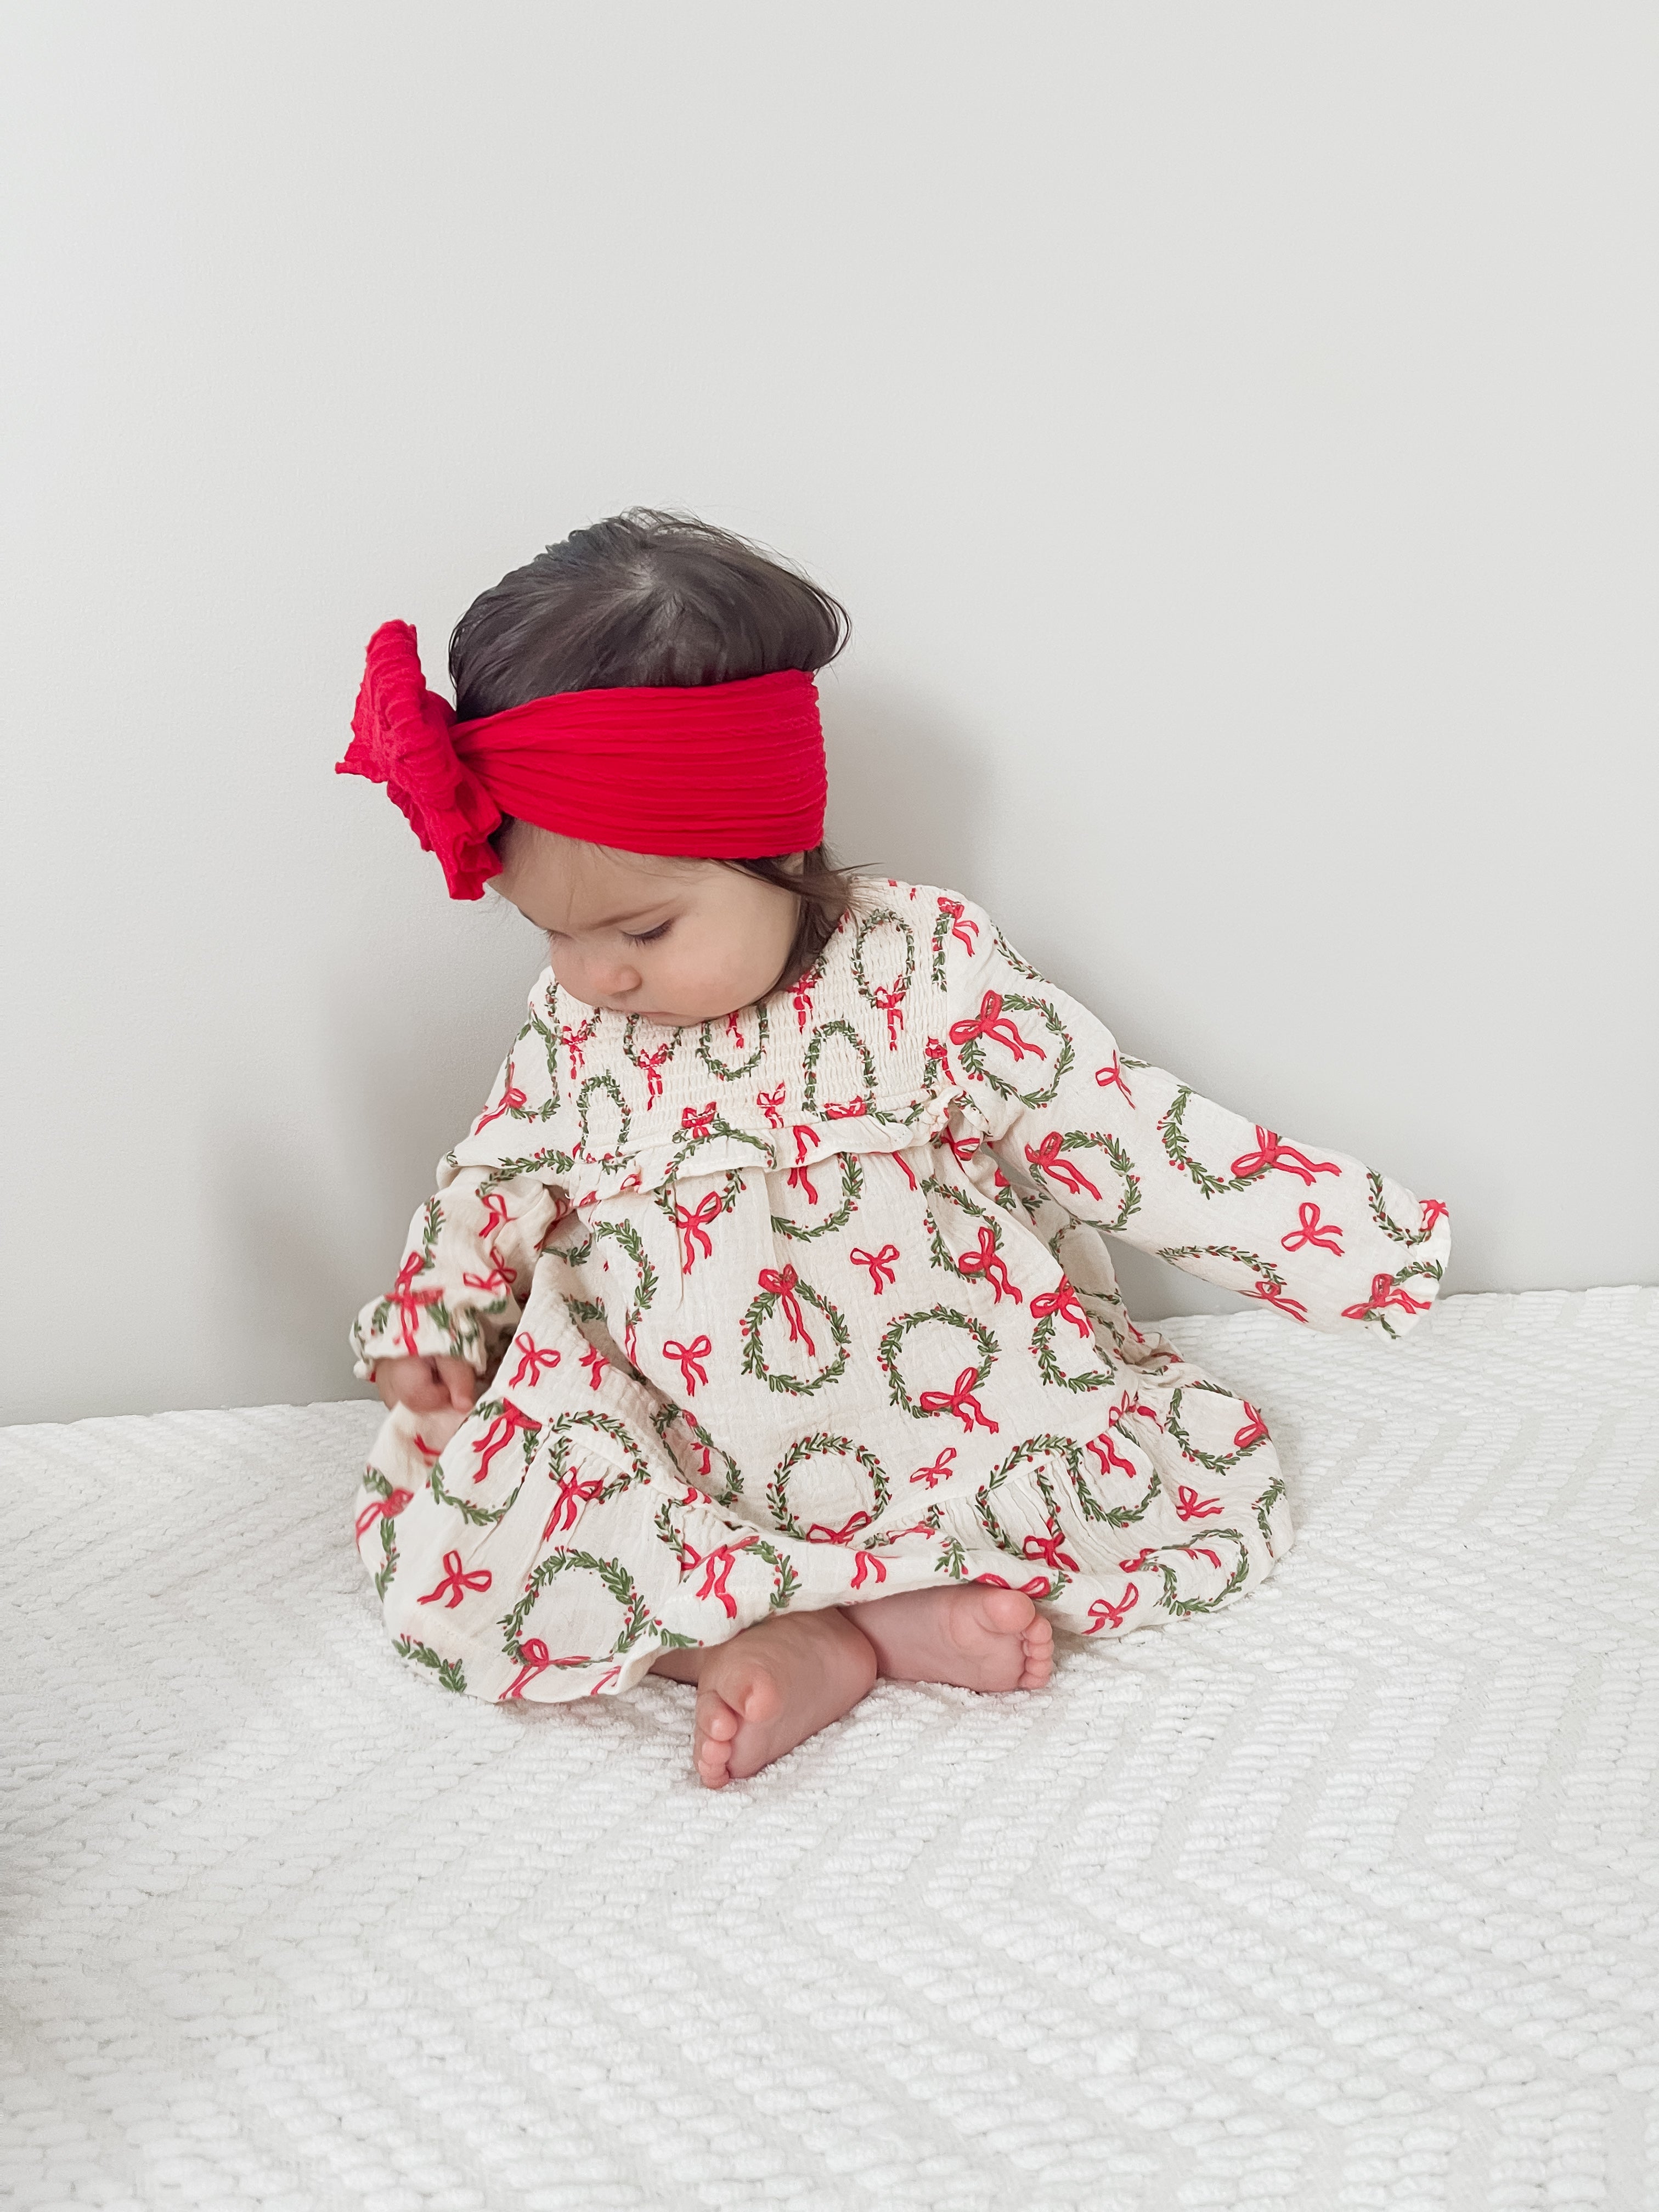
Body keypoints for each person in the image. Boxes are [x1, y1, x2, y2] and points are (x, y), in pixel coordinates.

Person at [340, 509, 1451, 1789]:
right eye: (552, 937)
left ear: (775, 848)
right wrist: (437, 1314)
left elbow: (1106, 1119)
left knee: (1035, 1463)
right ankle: (768, 1630)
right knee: (512, 1528)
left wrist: (1342, 1242)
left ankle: (881, 1603)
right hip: (664, 1409)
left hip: (910, 1385)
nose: (597, 976)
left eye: (643, 930)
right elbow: (500, 1174)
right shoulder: (575, 1021)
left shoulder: (917, 962)